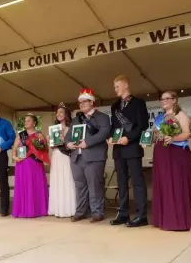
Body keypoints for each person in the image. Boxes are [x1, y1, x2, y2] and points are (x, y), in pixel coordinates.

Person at [64, 88, 111, 223]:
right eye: (80, 102)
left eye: (85, 101)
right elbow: (68, 136)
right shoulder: (76, 119)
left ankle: (97, 213)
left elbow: (104, 133)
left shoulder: (102, 117)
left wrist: (87, 142)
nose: (82, 104)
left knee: (95, 185)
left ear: (92, 102)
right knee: (80, 186)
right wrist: (68, 144)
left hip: (94, 156)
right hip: (76, 157)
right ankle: (81, 212)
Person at [109, 75, 150, 228]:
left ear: (125, 85)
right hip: (118, 149)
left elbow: (142, 125)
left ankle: (141, 215)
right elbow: (113, 126)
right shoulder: (114, 106)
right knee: (121, 183)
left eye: (117, 86)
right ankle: (123, 213)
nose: (115, 89)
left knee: (138, 183)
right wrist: (110, 138)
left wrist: (128, 138)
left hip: (132, 148)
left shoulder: (139, 103)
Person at [150, 91, 191, 231]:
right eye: (162, 99)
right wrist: (150, 138)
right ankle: (164, 218)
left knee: (176, 183)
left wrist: (173, 138)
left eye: (167, 99)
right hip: (161, 153)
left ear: (174, 100)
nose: (163, 101)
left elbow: (188, 133)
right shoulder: (159, 118)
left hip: (176, 153)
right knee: (164, 184)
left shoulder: (181, 115)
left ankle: (178, 221)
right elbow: (156, 135)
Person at [12, 114, 50, 218]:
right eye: (25, 121)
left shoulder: (39, 134)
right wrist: (15, 157)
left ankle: (38, 209)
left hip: (35, 163)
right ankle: (23, 210)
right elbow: (14, 149)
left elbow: (45, 150)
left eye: (28, 120)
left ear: (34, 123)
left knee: (35, 186)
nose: (26, 122)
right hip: (22, 163)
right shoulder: (21, 134)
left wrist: (42, 142)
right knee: (24, 186)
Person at [48, 103, 77, 218]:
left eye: (61, 112)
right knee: (57, 180)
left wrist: (64, 139)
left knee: (67, 180)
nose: (59, 114)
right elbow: (53, 146)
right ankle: (57, 208)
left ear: (66, 115)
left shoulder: (71, 128)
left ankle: (68, 208)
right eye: (57, 113)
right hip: (56, 155)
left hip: (66, 157)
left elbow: (73, 144)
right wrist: (50, 140)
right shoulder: (54, 128)